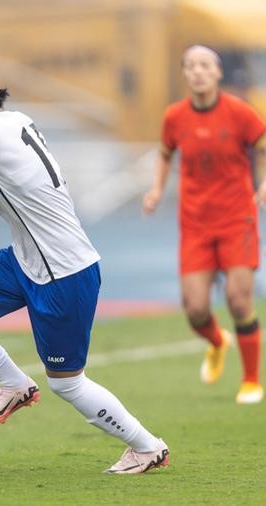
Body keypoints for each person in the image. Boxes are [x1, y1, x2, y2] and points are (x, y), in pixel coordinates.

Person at [0, 63, 169, 474]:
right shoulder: (13, 120)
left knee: (67, 382)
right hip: (27, 257)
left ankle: (147, 447)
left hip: (63, 272)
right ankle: (14, 383)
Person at [143, 45, 266, 404]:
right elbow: (165, 153)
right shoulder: (175, 116)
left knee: (238, 300)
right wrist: (156, 190)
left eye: (205, 65)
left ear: (218, 73)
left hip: (237, 218)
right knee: (195, 309)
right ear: (185, 73)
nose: (198, 71)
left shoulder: (240, 112)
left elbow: (263, 145)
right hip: (195, 222)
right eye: (191, 65)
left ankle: (251, 380)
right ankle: (217, 341)